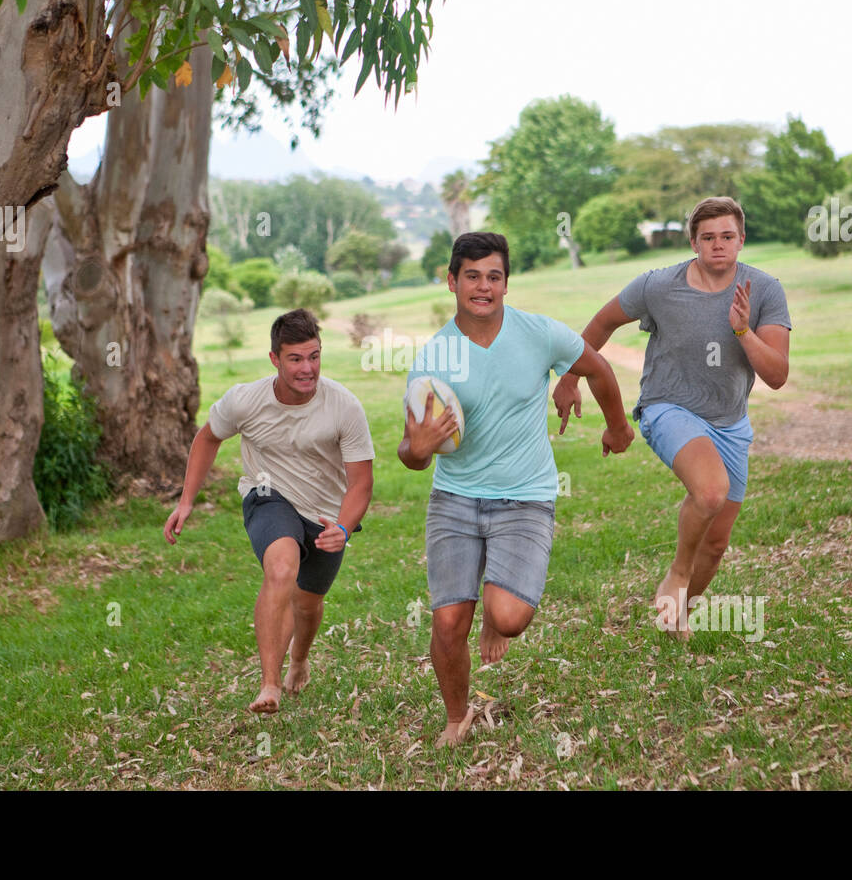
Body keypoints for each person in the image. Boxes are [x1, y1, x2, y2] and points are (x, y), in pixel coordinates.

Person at [399, 231, 634, 747]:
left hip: (525, 496)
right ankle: (456, 717)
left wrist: (618, 427)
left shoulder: (539, 334)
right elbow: (409, 455)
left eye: (494, 276)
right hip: (454, 499)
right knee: (447, 622)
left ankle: (494, 607)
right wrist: (419, 449)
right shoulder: (435, 357)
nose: (483, 287)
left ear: (506, 282)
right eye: (472, 276)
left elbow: (597, 368)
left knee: (509, 617)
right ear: (451, 280)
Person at [553, 196, 791, 638]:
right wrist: (569, 378)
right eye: (708, 237)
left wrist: (743, 330)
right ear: (693, 242)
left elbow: (776, 375)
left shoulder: (765, 290)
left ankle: (679, 611)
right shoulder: (659, 286)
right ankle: (677, 573)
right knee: (710, 491)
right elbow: (602, 324)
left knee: (717, 543)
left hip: (730, 422)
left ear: (741, 239)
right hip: (668, 406)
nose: (718, 245)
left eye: (727, 236)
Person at [164, 308, 374, 713]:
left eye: (314, 356)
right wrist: (186, 500)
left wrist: (345, 528)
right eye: (295, 358)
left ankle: (299, 661)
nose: (307, 368)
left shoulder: (344, 406)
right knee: (280, 568)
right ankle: (269, 684)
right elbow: (207, 439)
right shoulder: (245, 400)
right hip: (268, 494)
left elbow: (361, 483)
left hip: (326, 514)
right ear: (275, 359)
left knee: (308, 604)